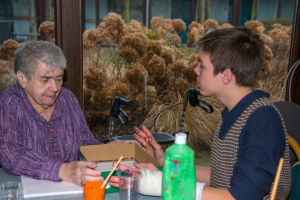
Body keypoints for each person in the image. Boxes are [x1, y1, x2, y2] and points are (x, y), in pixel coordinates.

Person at [109, 27, 291, 200]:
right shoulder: (233, 114)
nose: (196, 70)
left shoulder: (263, 121)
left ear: (225, 76)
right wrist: (167, 163)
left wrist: (163, 183)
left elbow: (240, 197)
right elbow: (220, 178)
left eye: (202, 65)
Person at [0, 41, 103, 186]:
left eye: (58, 79)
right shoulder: (8, 103)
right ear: (22, 78)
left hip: (72, 191)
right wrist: (64, 171)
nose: (55, 88)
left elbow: (84, 142)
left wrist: (113, 149)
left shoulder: (67, 99)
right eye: (45, 79)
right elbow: (11, 156)